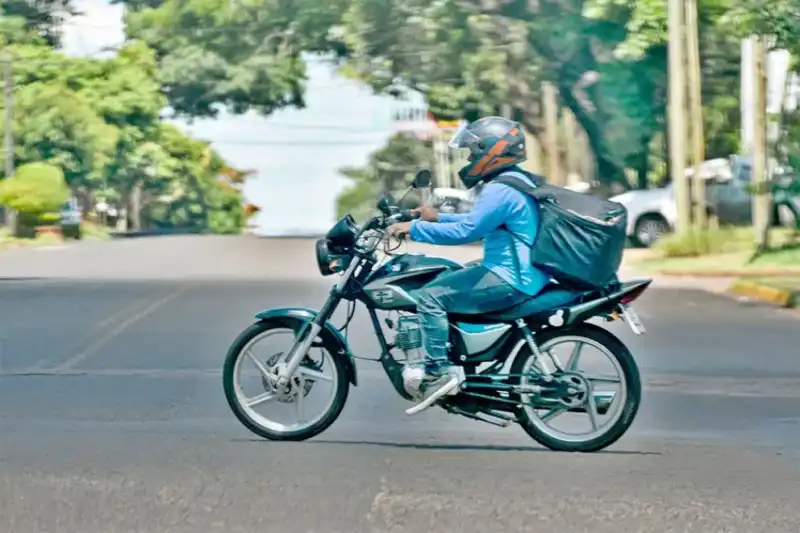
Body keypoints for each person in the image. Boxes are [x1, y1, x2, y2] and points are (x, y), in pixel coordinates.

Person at [387, 116, 551, 415]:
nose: (470, 159)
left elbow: (468, 231)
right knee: (450, 277)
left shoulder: (500, 189)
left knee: (430, 296)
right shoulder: (515, 181)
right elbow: (479, 221)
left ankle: (438, 371)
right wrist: (436, 217)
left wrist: (414, 229)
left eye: (474, 152)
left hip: (510, 278)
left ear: (492, 151)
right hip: (524, 273)